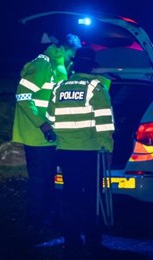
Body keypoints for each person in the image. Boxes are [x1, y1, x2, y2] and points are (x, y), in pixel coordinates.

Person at [11, 33, 82, 242]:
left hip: (50, 136)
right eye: (74, 53)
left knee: (48, 180)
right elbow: (23, 97)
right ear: (66, 48)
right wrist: (42, 125)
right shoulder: (43, 65)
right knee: (40, 180)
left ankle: (46, 220)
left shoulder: (59, 66)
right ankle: (34, 222)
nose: (75, 57)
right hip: (37, 135)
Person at [45, 49, 114, 257]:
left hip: (66, 151)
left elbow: (51, 118)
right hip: (90, 152)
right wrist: (107, 150)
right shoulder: (95, 87)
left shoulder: (59, 87)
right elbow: (104, 122)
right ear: (92, 67)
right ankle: (93, 242)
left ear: (74, 66)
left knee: (70, 197)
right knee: (92, 198)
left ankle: (71, 241)